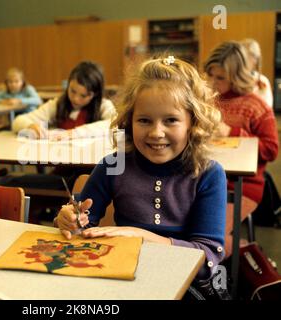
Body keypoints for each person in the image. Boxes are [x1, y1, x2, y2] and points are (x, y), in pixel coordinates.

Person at [55, 56, 228, 291]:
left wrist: (140, 237)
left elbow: (208, 260)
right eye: (144, 120)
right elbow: (82, 227)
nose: (157, 133)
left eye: (171, 120)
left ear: (193, 123)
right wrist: (70, 221)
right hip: (120, 279)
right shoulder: (113, 165)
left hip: (183, 286)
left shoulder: (208, 174)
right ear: (129, 121)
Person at [204, 41, 279, 255]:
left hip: (241, 186)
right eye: (210, 75)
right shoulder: (208, 101)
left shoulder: (256, 106)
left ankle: (249, 254)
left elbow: (271, 149)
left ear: (237, 77)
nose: (212, 83)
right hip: (205, 179)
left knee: (209, 238)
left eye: (220, 78)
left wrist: (232, 132)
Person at [12, 61, 116, 140]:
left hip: (92, 164)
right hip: (63, 162)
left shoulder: (103, 105)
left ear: (95, 94)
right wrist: (31, 126)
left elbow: (115, 124)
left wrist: (74, 133)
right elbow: (17, 121)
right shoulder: (57, 104)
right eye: (72, 91)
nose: (75, 98)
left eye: (83, 96)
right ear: (68, 84)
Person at [241, 38, 273, 108]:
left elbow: (266, 106)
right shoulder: (232, 78)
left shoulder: (262, 81)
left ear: (256, 60)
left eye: (249, 55)